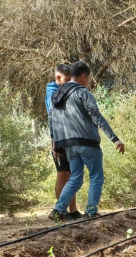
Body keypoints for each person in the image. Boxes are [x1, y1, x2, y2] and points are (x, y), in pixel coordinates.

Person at [48, 61, 125, 221]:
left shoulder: (56, 96)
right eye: (88, 78)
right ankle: (91, 211)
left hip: (68, 145)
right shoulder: (83, 92)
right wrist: (114, 139)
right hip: (87, 142)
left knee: (76, 177)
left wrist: (55, 143)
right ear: (83, 77)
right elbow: (96, 116)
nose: (88, 81)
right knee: (96, 176)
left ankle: (59, 209)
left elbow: (51, 119)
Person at [45, 64, 81, 219]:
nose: (68, 83)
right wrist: (55, 141)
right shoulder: (52, 90)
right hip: (59, 139)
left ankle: (73, 211)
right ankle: (60, 211)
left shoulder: (65, 89)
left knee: (72, 174)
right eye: (66, 80)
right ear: (58, 78)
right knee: (63, 173)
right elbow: (53, 114)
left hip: (70, 137)